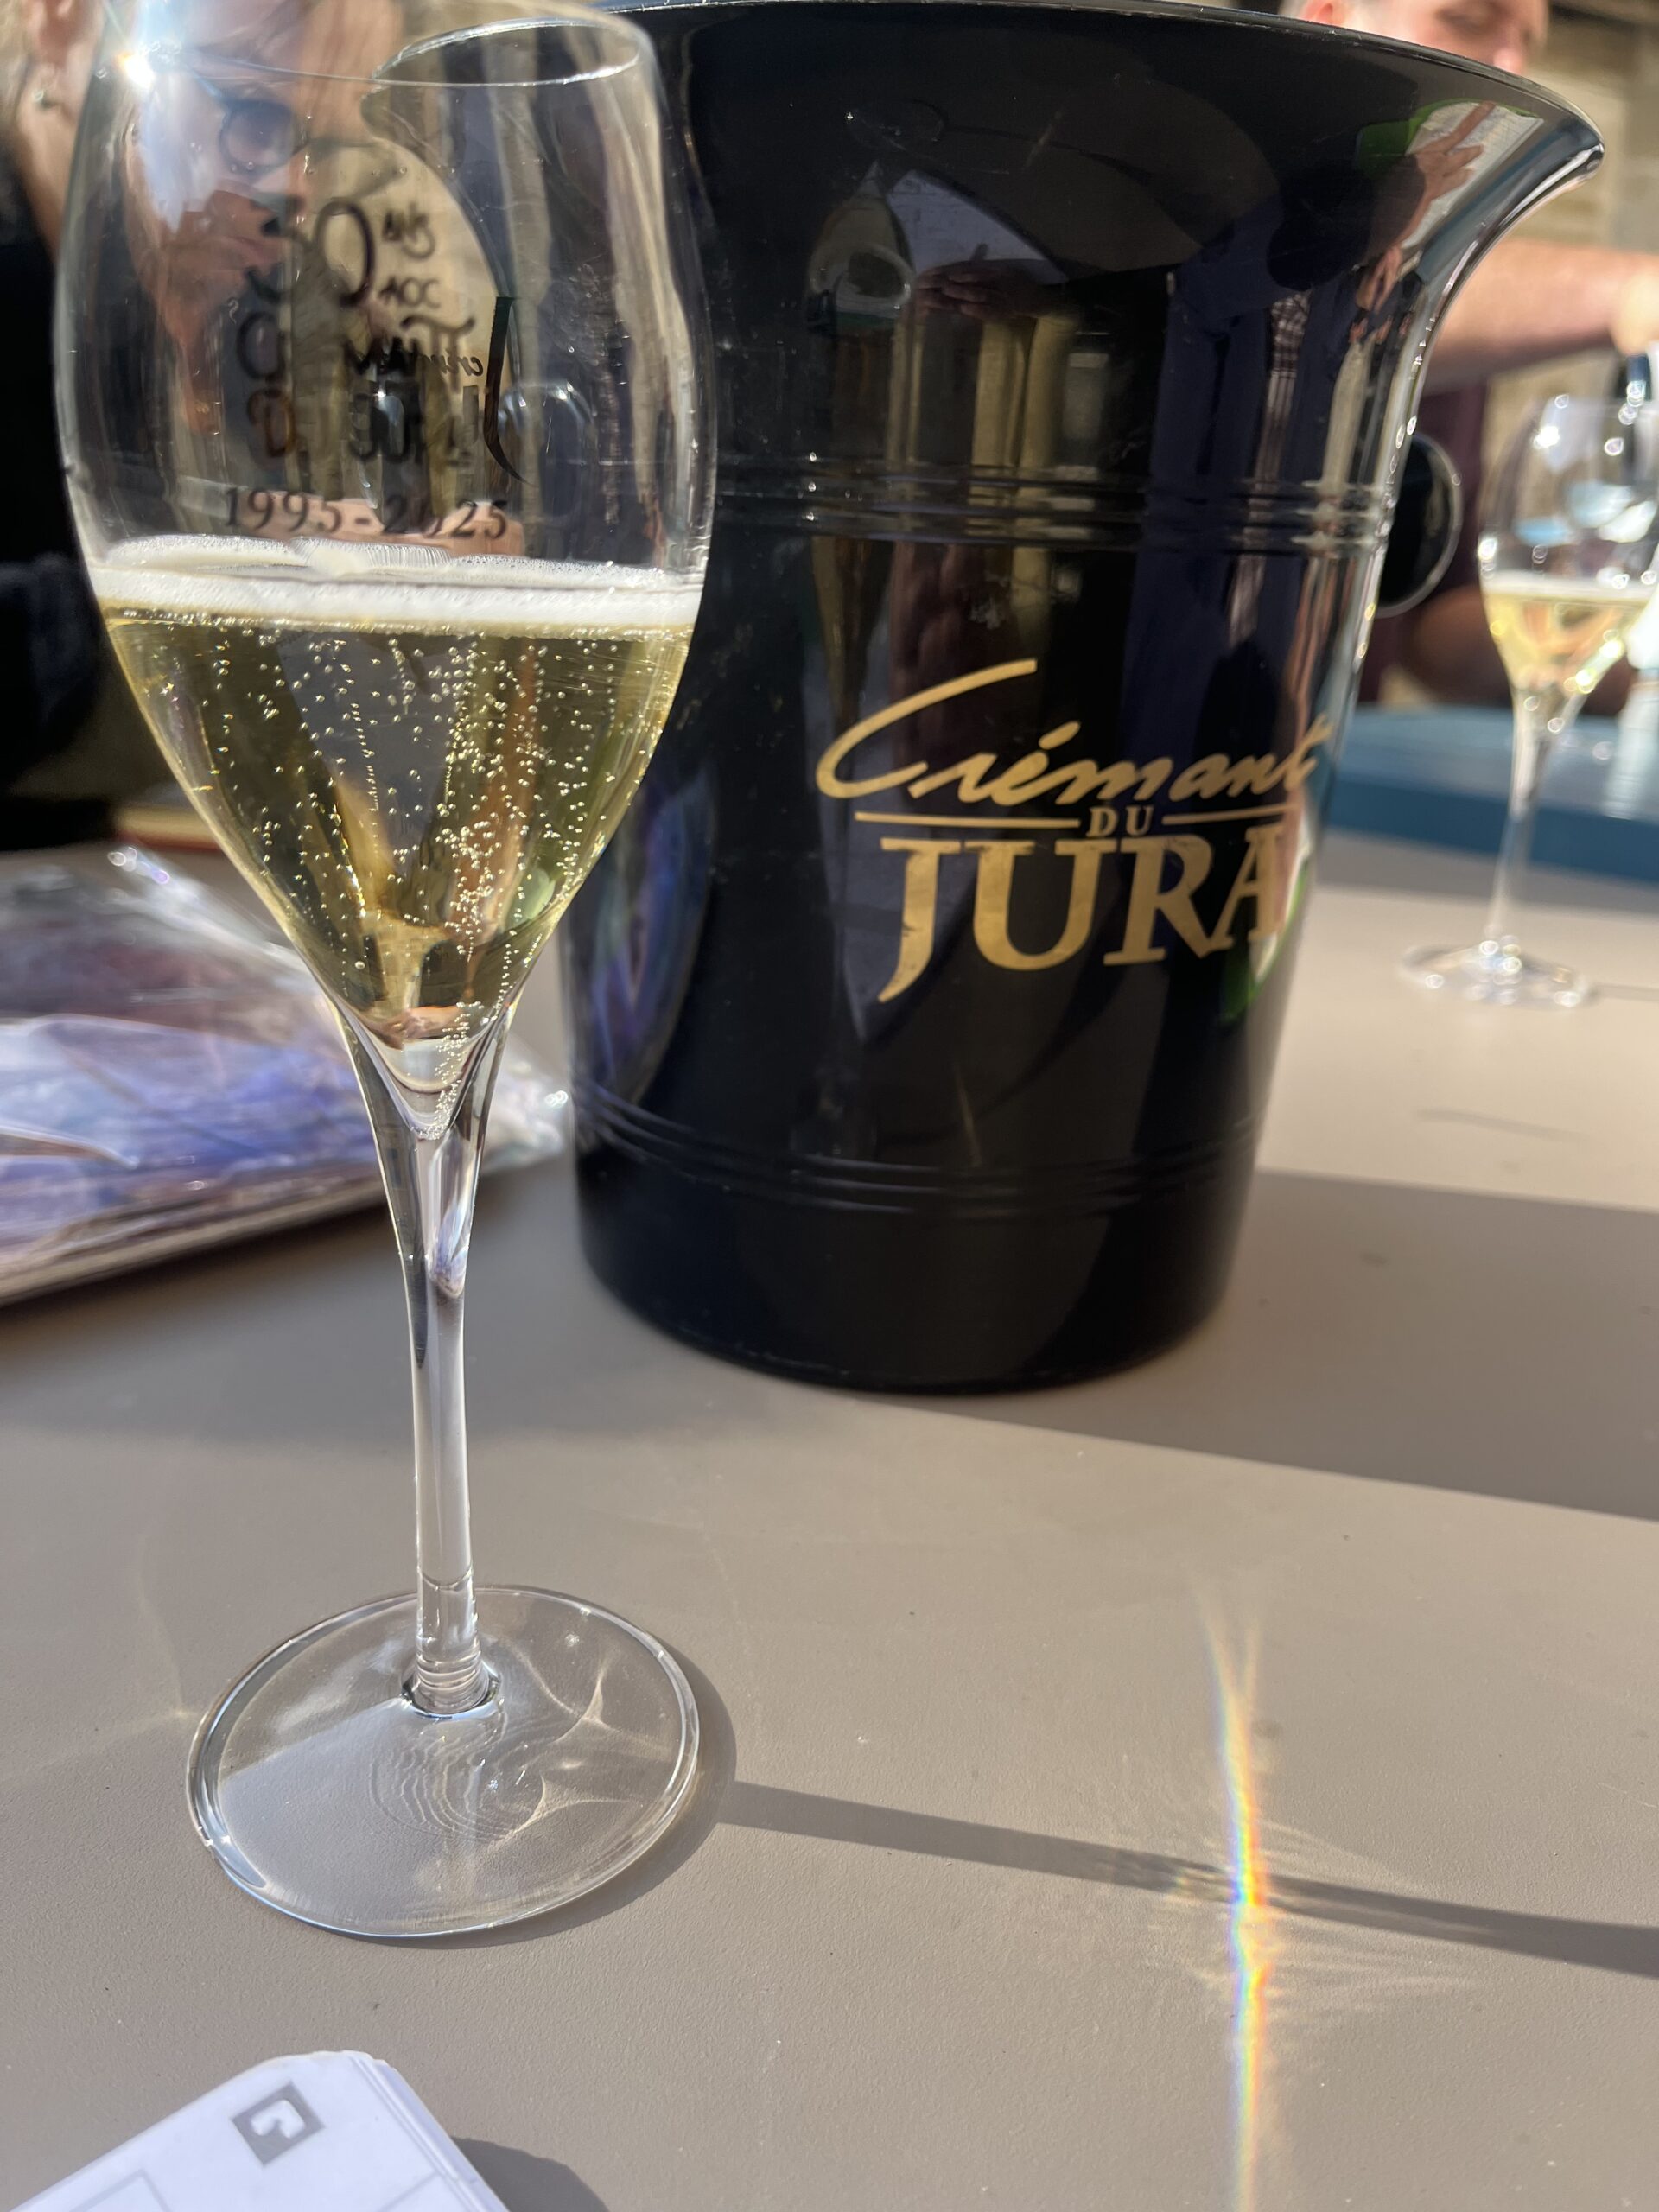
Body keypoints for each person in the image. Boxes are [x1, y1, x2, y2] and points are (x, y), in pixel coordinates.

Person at [1290, 0, 1659, 704]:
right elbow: (1325, 299)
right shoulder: (1216, 228)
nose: (1513, 67)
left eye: (1527, 44)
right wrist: (1637, 292)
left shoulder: (1449, 330)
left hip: (1326, 754)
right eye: (1465, 20)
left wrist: (1611, 667)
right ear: (1331, 19)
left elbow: (1429, 628)